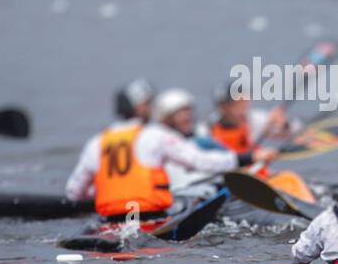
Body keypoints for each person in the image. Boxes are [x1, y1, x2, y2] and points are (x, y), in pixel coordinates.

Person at [66, 88, 277, 219]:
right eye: (148, 103)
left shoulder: (96, 142)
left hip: (110, 221)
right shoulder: (156, 135)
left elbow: (74, 193)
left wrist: (109, 189)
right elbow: (200, 161)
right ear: (141, 109)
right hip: (151, 218)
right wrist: (249, 158)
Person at [197, 84, 301, 156]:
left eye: (245, 100)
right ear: (223, 107)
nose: (244, 106)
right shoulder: (206, 128)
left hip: (254, 174)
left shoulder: (255, 119)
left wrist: (284, 123)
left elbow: (296, 129)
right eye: (238, 102)